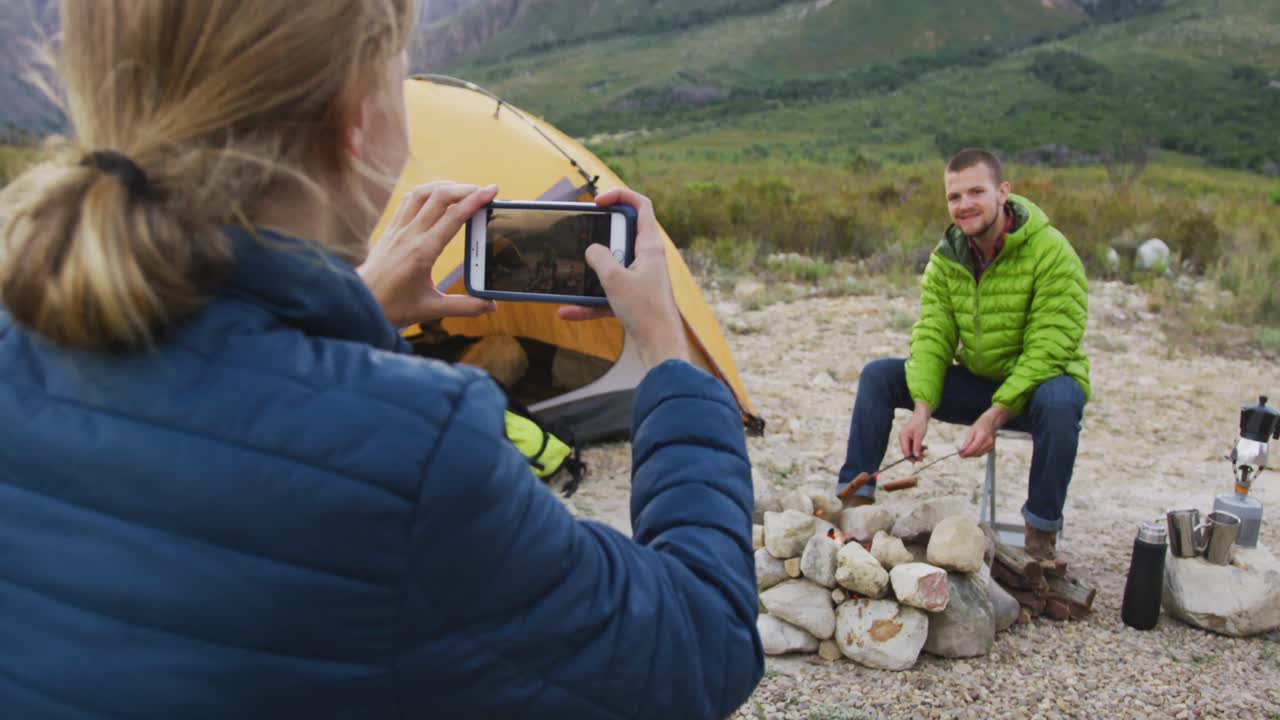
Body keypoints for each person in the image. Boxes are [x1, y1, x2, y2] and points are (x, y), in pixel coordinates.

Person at [0, 2, 762, 718]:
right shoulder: (416, 453)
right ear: (355, 122)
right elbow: (699, 641)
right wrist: (668, 352)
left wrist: (348, 309)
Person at [836, 148, 1090, 561]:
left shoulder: (1052, 252)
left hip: (1038, 389)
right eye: (955, 196)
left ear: (1002, 192)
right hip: (980, 383)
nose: (964, 204)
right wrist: (922, 406)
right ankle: (854, 507)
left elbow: (1049, 350)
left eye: (976, 191)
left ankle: (1040, 539)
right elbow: (933, 336)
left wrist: (996, 415)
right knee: (879, 376)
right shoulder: (947, 259)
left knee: (1061, 400)